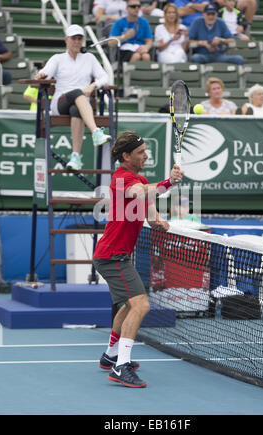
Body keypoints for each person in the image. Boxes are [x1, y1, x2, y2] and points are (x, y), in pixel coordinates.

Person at [93, 130, 183, 388]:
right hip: (112, 257)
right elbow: (141, 192)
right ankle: (121, 366)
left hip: (117, 255)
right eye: (141, 152)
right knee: (141, 305)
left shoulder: (140, 180)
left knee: (127, 306)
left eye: (146, 150)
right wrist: (170, 182)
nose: (146, 155)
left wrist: (159, 223)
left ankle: (110, 356)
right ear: (126, 156)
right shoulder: (121, 178)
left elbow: (151, 215)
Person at [35, 24, 111, 171]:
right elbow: (46, 73)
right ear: (66, 40)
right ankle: (95, 131)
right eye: (73, 38)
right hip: (60, 104)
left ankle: (75, 156)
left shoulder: (89, 58)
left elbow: (104, 77)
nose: (77, 41)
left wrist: (93, 86)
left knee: (77, 109)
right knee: (77, 92)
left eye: (79, 38)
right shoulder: (58, 58)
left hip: (81, 106)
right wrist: (41, 75)